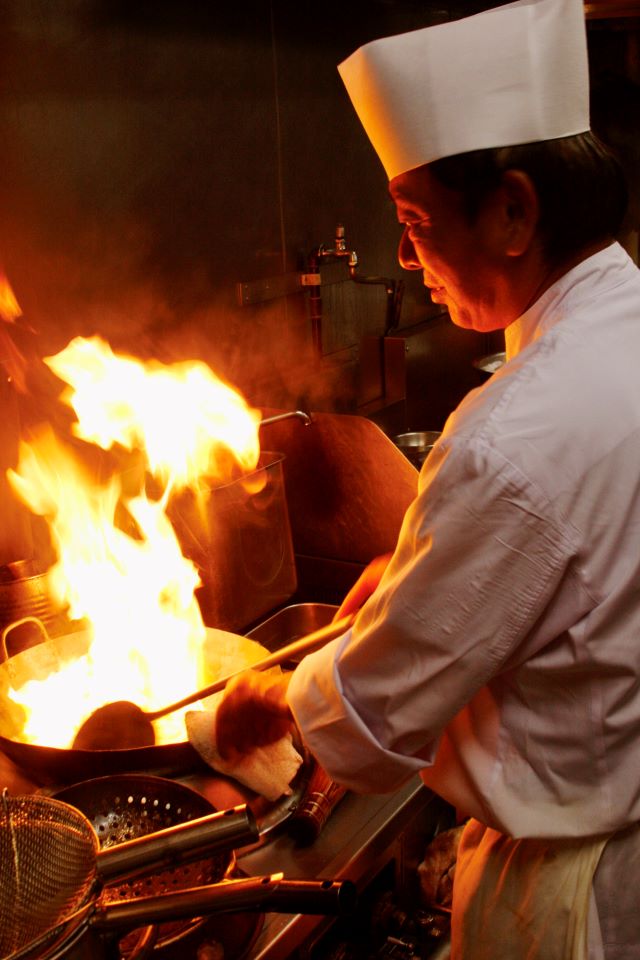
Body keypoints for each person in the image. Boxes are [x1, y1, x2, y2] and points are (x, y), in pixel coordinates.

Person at [214, 1, 640, 957]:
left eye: (414, 222)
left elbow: (372, 725)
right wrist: (409, 591)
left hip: (572, 895)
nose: (406, 258)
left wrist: (275, 698)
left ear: (516, 210)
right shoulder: (629, 320)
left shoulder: (509, 437)